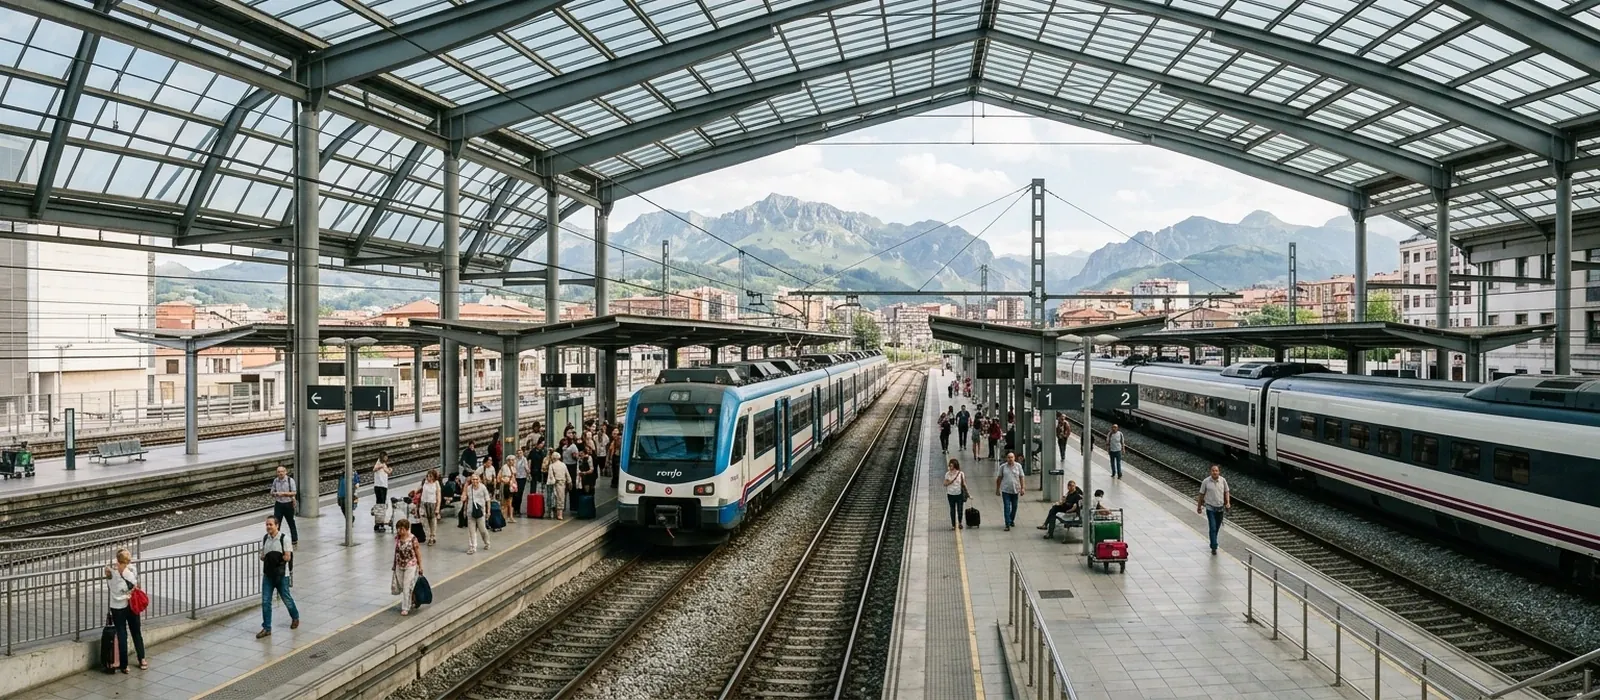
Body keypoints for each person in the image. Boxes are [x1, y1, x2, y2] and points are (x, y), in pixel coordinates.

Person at [104, 548, 147, 672]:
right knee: (136, 632)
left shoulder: (110, 571)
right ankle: (142, 658)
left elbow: (110, 582)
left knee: (122, 634)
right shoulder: (131, 571)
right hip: (132, 604)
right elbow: (136, 585)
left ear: (117, 559)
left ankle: (124, 665)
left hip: (117, 606)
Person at [257, 516, 299, 638]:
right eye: (267, 525)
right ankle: (267, 627)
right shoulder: (266, 538)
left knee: (286, 598)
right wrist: (264, 557)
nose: (268, 527)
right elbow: (262, 555)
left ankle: (295, 617)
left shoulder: (284, 539)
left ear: (277, 525)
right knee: (265, 601)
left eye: (271, 524)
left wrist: (274, 557)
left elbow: (287, 557)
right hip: (268, 575)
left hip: (281, 575)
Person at [1196, 465, 1231, 555]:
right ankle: (1214, 546)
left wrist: (1227, 502)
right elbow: (1201, 494)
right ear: (1210, 472)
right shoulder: (1206, 482)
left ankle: (1213, 541)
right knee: (1213, 527)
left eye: (1216, 471)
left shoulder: (1223, 481)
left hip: (1220, 508)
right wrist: (1199, 507)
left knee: (1217, 527)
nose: (1215, 472)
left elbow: (1226, 492)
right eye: (1213, 471)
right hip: (1210, 508)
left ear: (1219, 472)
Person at [392, 518, 423, 616]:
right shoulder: (397, 538)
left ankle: (405, 607)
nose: (400, 531)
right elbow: (396, 552)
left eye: (402, 529)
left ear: (406, 529)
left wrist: (420, 566)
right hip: (399, 565)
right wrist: (394, 565)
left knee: (406, 587)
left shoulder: (413, 539)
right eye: (398, 529)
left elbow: (418, 553)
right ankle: (413, 597)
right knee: (402, 586)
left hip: (411, 565)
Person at [995, 451, 1025, 531]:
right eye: (1008, 457)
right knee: (1007, 507)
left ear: (1014, 458)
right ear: (1006, 458)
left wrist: (1022, 488)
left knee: (1014, 507)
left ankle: (1011, 519)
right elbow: (999, 478)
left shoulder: (1018, 466)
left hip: (1015, 490)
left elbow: (1021, 477)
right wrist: (997, 489)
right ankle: (1007, 523)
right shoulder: (1003, 467)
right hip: (1006, 490)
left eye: (1012, 457)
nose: (1010, 459)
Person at [269, 466, 298, 544]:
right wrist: (275, 494)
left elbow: (294, 492)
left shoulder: (290, 480)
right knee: (277, 522)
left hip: (288, 504)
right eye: (278, 472)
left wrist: (284, 494)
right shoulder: (276, 481)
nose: (280, 473)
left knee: (291, 521)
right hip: (278, 504)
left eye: (282, 471)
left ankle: (294, 539)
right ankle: (276, 537)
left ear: (285, 472)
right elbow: (271, 492)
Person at [464, 474, 492, 554]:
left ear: (479, 480)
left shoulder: (483, 488)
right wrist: (465, 510)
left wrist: (488, 511)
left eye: (476, 479)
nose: (475, 481)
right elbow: (467, 500)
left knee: (482, 530)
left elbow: (487, 500)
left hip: (480, 512)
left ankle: (487, 542)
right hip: (471, 512)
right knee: (471, 531)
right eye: (473, 479)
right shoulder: (469, 488)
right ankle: (472, 547)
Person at [942, 458, 967, 531]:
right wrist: (950, 482)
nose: (950, 467)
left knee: (960, 509)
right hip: (950, 494)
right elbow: (944, 484)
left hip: (959, 494)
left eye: (951, 466)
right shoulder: (947, 474)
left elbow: (964, 484)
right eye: (949, 466)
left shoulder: (961, 474)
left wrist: (968, 493)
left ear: (955, 466)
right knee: (952, 509)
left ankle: (960, 522)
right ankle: (953, 525)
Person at [545, 450, 571, 520]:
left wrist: (551, 482)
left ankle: (554, 513)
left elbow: (550, 475)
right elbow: (567, 474)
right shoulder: (563, 464)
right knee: (561, 498)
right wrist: (569, 481)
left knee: (553, 498)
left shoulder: (552, 465)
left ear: (553, 458)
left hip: (555, 483)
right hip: (562, 483)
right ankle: (560, 514)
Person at [419, 469, 442, 545]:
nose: (428, 477)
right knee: (424, 521)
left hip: (432, 503)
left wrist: (437, 508)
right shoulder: (424, 482)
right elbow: (419, 489)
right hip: (424, 503)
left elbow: (438, 496)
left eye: (430, 476)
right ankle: (429, 535)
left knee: (432, 521)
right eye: (428, 476)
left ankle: (432, 536)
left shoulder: (436, 484)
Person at [497, 457, 518, 524]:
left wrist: (514, 484)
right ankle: (504, 517)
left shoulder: (513, 468)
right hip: (505, 485)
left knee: (510, 502)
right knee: (505, 502)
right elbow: (499, 477)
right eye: (512, 460)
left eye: (513, 460)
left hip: (511, 486)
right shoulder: (504, 467)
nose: (513, 461)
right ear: (508, 461)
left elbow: (514, 477)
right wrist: (504, 480)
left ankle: (510, 517)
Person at [513, 448, 530, 518]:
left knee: (520, 493)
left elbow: (526, 467)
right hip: (515, 478)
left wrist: (528, 472)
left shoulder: (524, 459)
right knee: (515, 494)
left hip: (522, 478)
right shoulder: (514, 460)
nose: (519, 454)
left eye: (521, 453)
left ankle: (518, 509)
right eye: (518, 453)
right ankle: (514, 508)